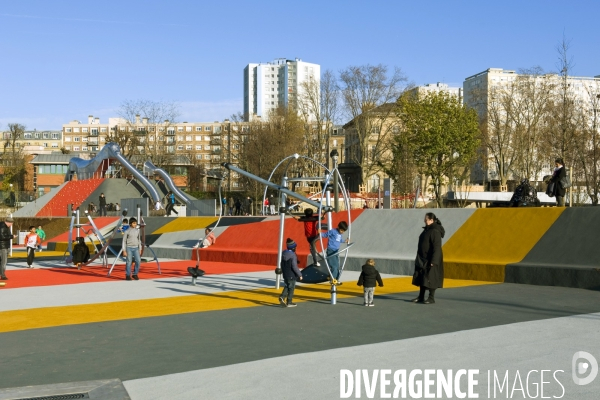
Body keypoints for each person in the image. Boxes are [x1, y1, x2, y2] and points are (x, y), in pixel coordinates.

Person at [412, 212, 445, 304]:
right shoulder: (427, 230)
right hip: (422, 258)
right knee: (422, 277)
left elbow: (437, 247)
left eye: (426, 219)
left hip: (430, 259)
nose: (424, 221)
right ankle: (421, 297)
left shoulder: (435, 231)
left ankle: (431, 297)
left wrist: (434, 261)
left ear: (431, 220)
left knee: (431, 277)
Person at [279, 238, 303, 307]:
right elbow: (294, 266)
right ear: (293, 248)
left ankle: (282, 297)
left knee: (287, 286)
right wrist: (300, 275)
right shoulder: (293, 255)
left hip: (285, 274)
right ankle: (289, 302)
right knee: (291, 288)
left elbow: (283, 263)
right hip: (291, 274)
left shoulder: (284, 253)